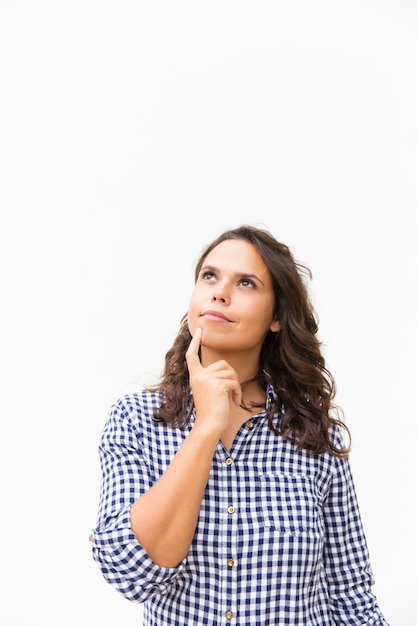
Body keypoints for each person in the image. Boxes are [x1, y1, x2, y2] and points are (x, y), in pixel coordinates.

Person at [90, 224, 389, 625]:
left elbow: (351, 597)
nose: (219, 292)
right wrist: (204, 430)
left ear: (277, 317)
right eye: (209, 276)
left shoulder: (314, 437)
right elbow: (129, 574)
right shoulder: (137, 420)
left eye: (246, 283)